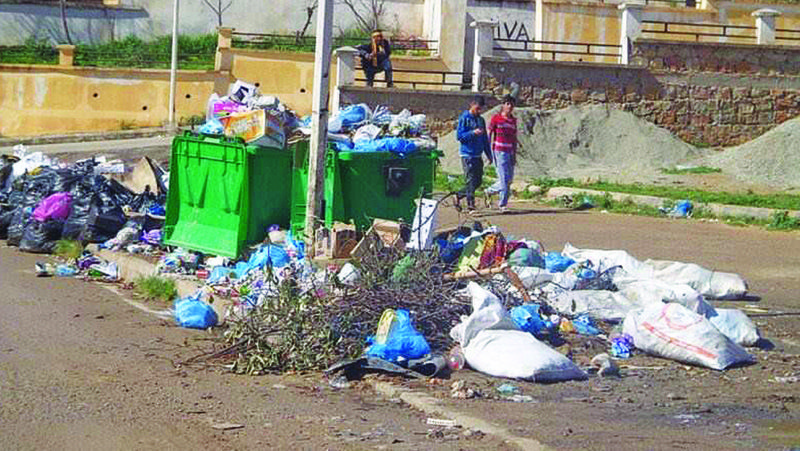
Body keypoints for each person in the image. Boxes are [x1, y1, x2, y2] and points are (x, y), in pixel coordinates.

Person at [455, 96, 492, 213]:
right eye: (477, 108)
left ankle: (458, 195)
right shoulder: (464, 118)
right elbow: (459, 136)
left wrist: (489, 154)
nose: (479, 111)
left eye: (481, 109)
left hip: (478, 154)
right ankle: (471, 206)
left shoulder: (481, 120)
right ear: (472, 105)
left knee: (478, 181)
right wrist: (472, 133)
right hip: (467, 154)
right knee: (470, 180)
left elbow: (485, 138)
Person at [486, 95, 518, 213]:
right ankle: (502, 204)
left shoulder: (513, 120)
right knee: (503, 179)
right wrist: (487, 149)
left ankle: (489, 191)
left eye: (512, 105)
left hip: (509, 151)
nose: (510, 107)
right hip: (499, 151)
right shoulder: (496, 118)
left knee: (509, 180)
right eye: (507, 104)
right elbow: (489, 134)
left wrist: (514, 153)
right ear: (503, 105)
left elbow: (514, 138)